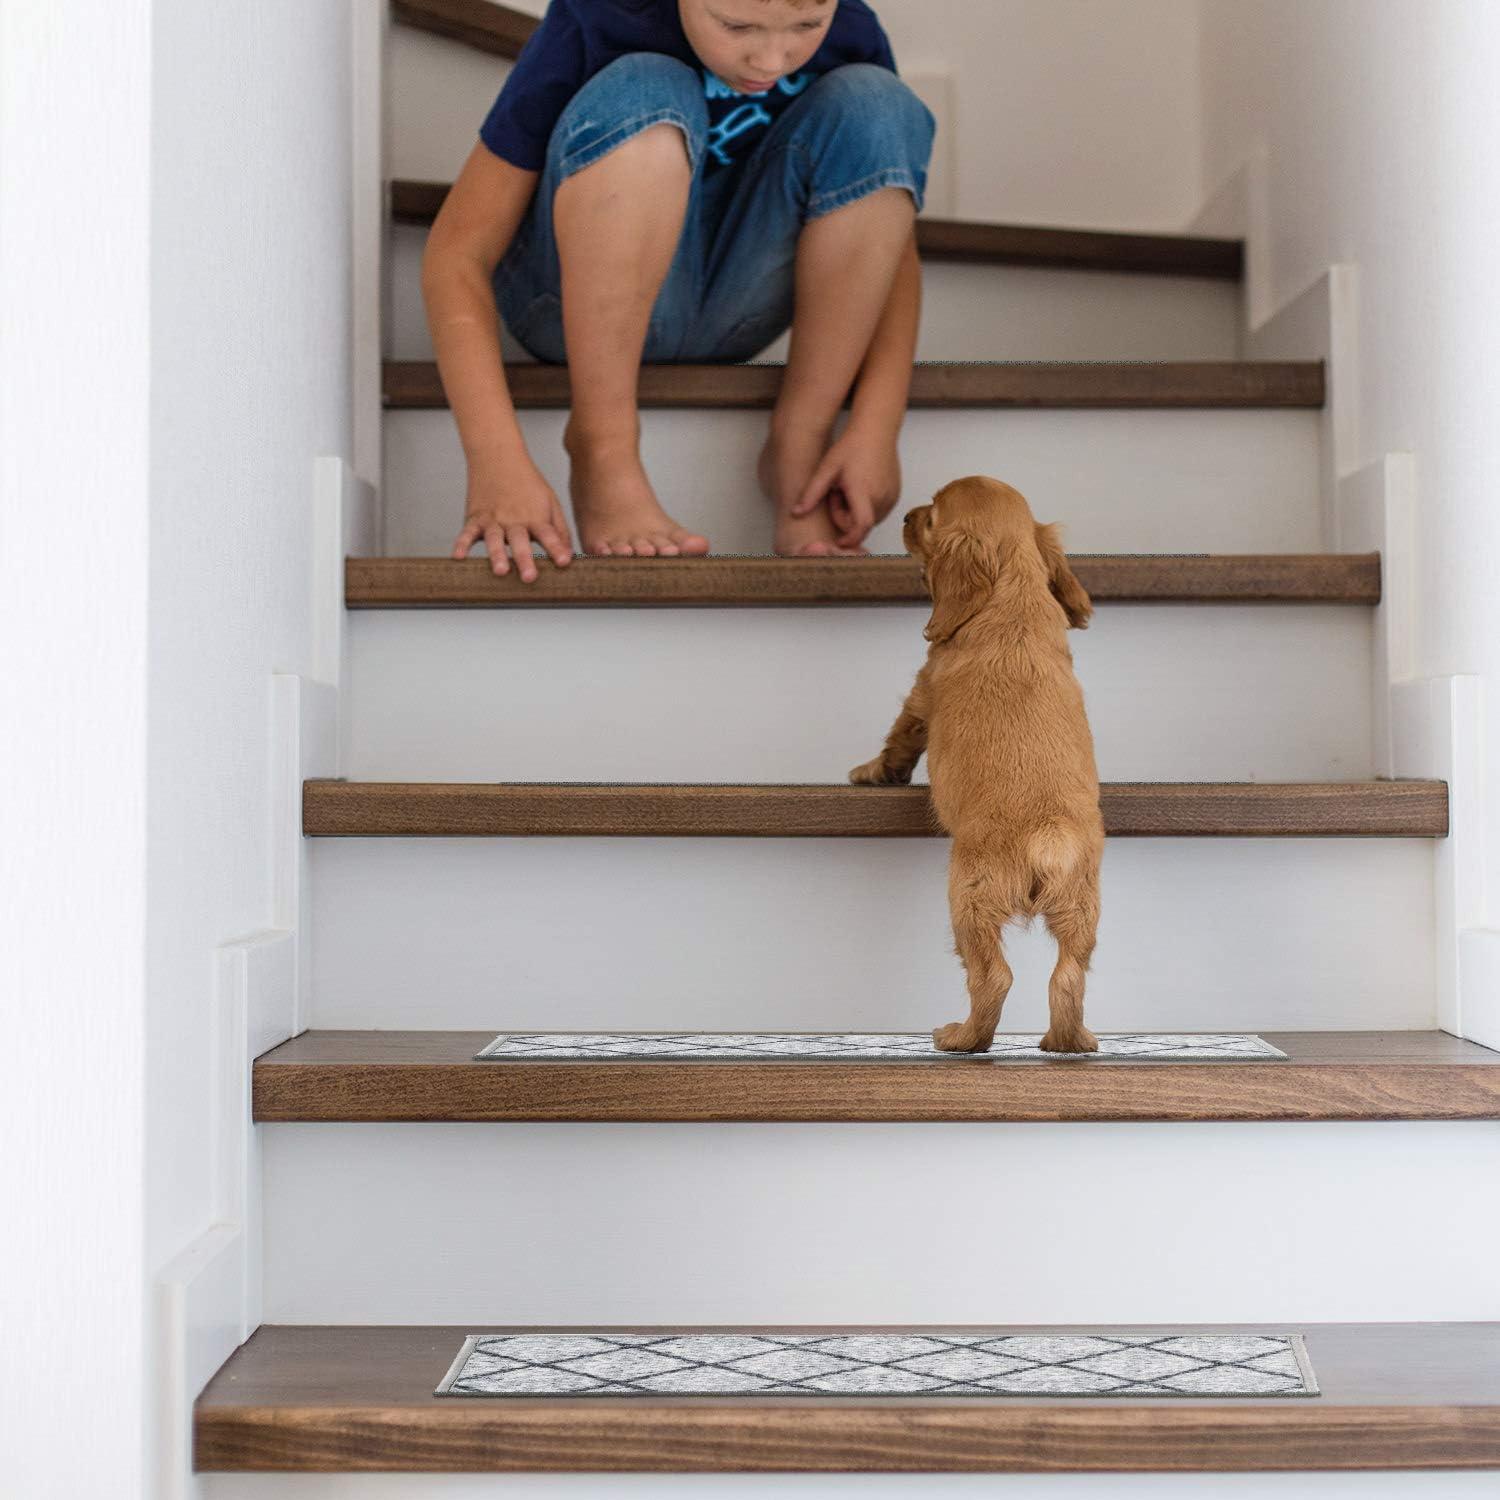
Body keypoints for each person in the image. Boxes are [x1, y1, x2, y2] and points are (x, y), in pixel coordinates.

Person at [422, 0, 935, 577]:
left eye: (807, 27)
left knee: (880, 105)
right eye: (737, 26)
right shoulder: (602, 16)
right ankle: (603, 447)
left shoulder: (854, 31)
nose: (771, 58)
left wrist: (876, 423)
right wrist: (494, 457)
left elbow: (891, 238)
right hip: (566, 308)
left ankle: (799, 448)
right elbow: (457, 252)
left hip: (734, 308)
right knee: (648, 83)